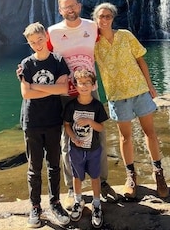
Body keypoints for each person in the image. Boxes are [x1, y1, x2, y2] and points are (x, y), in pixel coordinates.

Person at [91, 2, 170, 199]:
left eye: (108, 16)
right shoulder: (93, 44)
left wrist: (150, 86)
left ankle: (158, 173)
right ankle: (131, 176)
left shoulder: (125, 35)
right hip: (117, 96)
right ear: (95, 19)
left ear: (113, 18)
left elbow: (140, 60)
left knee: (149, 132)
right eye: (101, 16)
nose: (105, 19)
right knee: (125, 137)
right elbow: (79, 59)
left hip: (139, 90)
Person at [46, 0, 117, 207]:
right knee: (68, 137)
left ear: (79, 6)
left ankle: (102, 182)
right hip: (66, 93)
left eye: (73, 5)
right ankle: (71, 187)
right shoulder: (53, 32)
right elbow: (42, 55)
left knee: (99, 135)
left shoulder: (92, 27)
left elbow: (111, 43)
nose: (70, 9)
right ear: (60, 10)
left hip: (91, 89)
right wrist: (25, 68)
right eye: (65, 7)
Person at [18, 22, 71, 228]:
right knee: (34, 167)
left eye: (40, 40)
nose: (37, 44)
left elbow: (64, 88)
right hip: (31, 121)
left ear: (46, 38)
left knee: (54, 165)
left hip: (52, 119)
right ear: (29, 43)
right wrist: (52, 87)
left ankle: (55, 203)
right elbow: (26, 94)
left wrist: (37, 86)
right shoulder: (26, 64)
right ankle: (35, 206)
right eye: (32, 42)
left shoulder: (58, 60)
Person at [63, 68, 109, 228]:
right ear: (75, 85)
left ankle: (96, 204)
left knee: (95, 176)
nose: (83, 86)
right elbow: (67, 125)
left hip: (94, 149)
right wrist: (73, 138)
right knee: (77, 176)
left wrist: (90, 122)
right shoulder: (71, 106)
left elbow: (101, 128)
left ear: (93, 85)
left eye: (87, 83)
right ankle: (78, 200)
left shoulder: (97, 106)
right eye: (80, 83)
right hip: (76, 149)